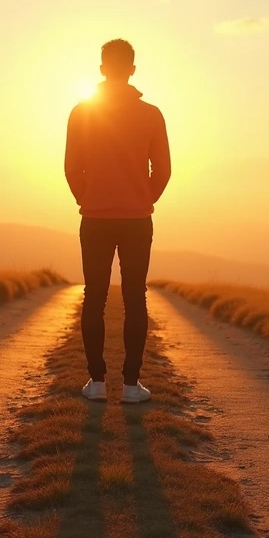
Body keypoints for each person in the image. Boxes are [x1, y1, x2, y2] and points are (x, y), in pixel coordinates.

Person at [64, 39, 172, 404]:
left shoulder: (81, 112)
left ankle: (95, 383)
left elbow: (70, 167)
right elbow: (164, 170)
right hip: (137, 220)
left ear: (101, 69)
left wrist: (89, 197)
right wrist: (141, 198)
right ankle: (130, 386)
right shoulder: (152, 114)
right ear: (132, 69)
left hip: (94, 218)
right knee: (134, 298)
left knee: (92, 297)